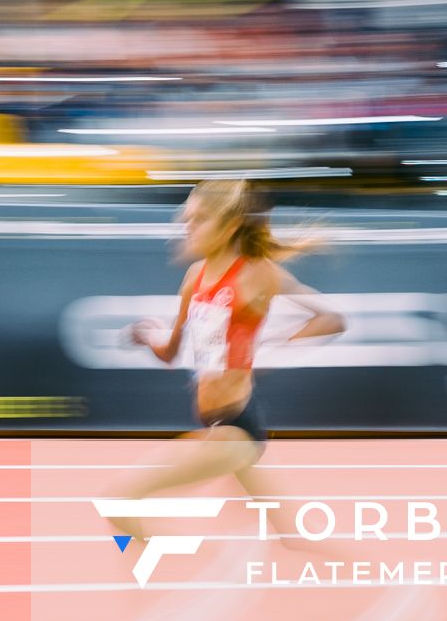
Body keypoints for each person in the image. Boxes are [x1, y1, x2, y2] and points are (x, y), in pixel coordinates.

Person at [102, 179, 344, 548]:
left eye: (199, 220)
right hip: (212, 418)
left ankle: (181, 561)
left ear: (229, 226)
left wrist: (268, 346)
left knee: (119, 499)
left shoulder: (256, 273)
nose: (188, 227)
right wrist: (150, 334)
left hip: (235, 431)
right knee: (293, 538)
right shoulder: (194, 277)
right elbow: (170, 352)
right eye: (186, 219)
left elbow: (330, 319)